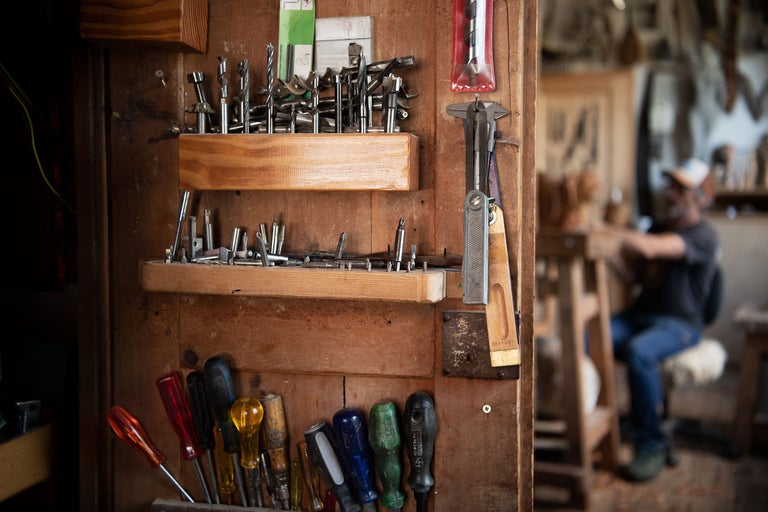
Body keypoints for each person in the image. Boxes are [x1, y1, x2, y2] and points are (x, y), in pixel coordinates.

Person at [597, 158, 720, 482]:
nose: (672, 194)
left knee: (640, 352)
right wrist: (609, 256)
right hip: (640, 316)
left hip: (681, 325)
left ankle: (650, 442)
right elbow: (633, 277)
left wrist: (607, 229)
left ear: (702, 198)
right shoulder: (657, 227)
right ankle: (592, 428)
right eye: (672, 186)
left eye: (682, 189)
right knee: (588, 338)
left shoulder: (705, 236)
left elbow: (651, 250)